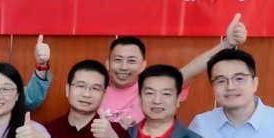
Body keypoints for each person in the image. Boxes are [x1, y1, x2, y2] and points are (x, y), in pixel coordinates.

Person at [100, 14, 248, 126]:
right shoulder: (94, 91)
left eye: (131, 61)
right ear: (108, 63)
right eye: (118, 60)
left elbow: (194, 68)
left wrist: (226, 44)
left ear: (143, 65)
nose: (124, 67)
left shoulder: (154, 88)